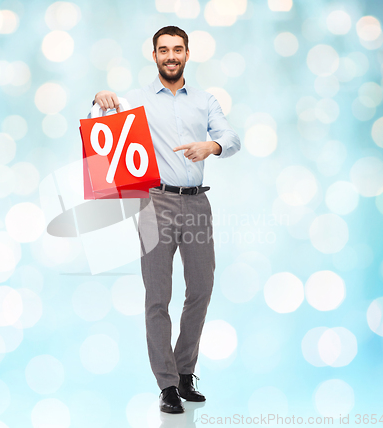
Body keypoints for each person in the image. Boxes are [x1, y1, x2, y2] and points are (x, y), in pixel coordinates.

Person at [92, 26, 241, 414]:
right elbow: (97, 128)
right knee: (158, 296)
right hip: (154, 202)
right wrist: (98, 99)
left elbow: (231, 137)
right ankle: (168, 385)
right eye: (163, 50)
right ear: (154, 55)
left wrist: (214, 145)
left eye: (177, 49)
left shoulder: (205, 100)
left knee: (202, 288)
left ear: (187, 54)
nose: (170, 56)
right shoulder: (136, 100)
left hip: (196, 204)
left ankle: (184, 371)